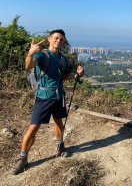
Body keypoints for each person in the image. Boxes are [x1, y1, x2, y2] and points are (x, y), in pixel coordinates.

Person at [11, 29, 84, 175]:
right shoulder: (42, 54)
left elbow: (63, 76)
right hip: (44, 96)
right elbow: (28, 66)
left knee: (58, 122)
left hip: (58, 95)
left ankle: (60, 147)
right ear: (49, 39)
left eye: (62, 40)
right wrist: (30, 53)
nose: (59, 41)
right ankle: (23, 158)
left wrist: (77, 75)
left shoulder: (63, 58)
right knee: (33, 127)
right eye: (56, 38)